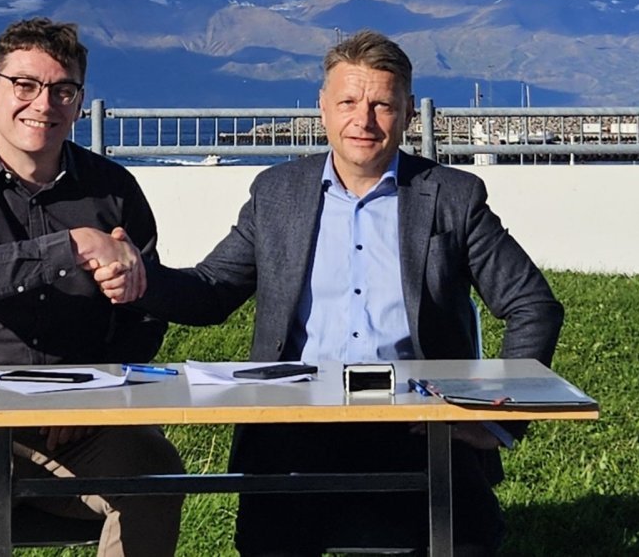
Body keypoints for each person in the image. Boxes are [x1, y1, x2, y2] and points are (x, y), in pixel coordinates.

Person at [127, 29, 564, 556]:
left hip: (416, 423)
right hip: (295, 420)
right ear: (323, 108)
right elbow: (211, 291)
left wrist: (496, 417)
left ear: (407, 113)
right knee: (269, 543)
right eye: (349, 102)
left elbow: (532, 305)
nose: (364, 119)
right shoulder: (277, 193)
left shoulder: (452, 197)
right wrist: (138, 276)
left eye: (382, 104)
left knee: (469, 541)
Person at [0, 17, 183, 557]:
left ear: (78, 100)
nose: (42, 104)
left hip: (76, 418)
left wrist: (96, 392)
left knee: (155, 477)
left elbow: (144, 314)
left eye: (62, 89)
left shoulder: (114, 190)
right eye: (24, 85)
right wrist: (70, 247)